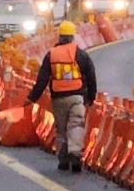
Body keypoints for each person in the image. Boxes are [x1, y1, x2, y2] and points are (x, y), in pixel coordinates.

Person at [24, 21, 97, 172]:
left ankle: (63, 160)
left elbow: (42, 80)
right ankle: (75, 154)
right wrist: (91, 97)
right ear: (72, 37)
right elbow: (91, 77)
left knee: (62, 128)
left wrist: (31, 98)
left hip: (58, 98)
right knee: (76, 124)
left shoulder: (51, 55)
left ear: (60, 37)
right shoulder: (81, 54)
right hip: (77, 97)